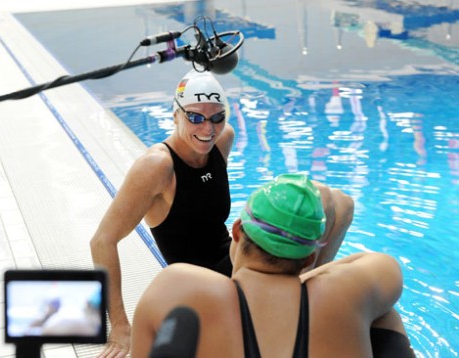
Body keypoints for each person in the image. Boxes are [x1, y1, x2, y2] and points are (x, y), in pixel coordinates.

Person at [90, 70, 354, 356]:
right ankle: (300, 294)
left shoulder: (222, 139)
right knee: (323, 200)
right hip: (205, 279)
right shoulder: (157, 166)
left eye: (217, 117)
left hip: (234, 255)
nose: (208, 129)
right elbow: (102, 241)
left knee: (340, 203)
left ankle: (302, 288)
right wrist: (119, 325)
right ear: (175, 115)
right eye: (195, 117)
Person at [131, 173, 414, 357]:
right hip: (313, 289)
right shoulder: (346, 293)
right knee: (384, 315)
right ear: (309, 258)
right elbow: (385, 266)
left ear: (239, 231)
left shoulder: (179, 285)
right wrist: (309, 275)